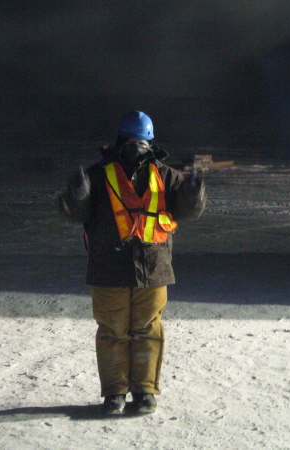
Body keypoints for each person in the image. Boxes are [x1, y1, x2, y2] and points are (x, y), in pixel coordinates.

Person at [58, 110, 206, 415]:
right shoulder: (98, 175)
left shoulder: (165, 175)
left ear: (149, 143)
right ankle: (115, 393)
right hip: (109, 267)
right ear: (120, 141)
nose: (135, 147)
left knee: (148, 329)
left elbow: (187, 211)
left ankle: (144, 391)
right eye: (130, 140)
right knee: (112, 330)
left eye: (140, 141)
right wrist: (78, 194)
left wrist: (194, 193)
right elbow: (75, 213)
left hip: (153, 268)